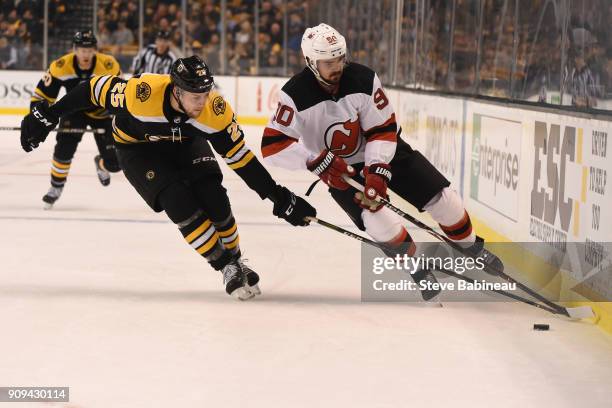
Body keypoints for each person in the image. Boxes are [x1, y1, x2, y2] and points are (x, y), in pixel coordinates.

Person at [20, 55, 316, 300]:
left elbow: (243, 161)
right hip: (137, 148)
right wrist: (50, 115)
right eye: (194, 96)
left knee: (214, 196)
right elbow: (91, 90)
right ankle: (225, 265)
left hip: (185, 143)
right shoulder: (143, 93)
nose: (201, 102)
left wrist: (279, 197)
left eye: (205, 94)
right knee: (177, 201)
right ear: (176, 90)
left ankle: (237, 262)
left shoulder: (214, 110)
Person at [261, 24, 502, 300]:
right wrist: (316, 161)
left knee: (447, 201)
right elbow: (272, 146)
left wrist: (377, 170)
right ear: (311, 62)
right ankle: (417, 269)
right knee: (380, 225)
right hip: (341, 173)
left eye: (340, 58)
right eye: (329, 62)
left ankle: (472, 248)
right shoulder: (293, 95)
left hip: (387, 154)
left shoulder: (363, 79)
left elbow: (383, 129)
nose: (337, 66)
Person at [30, 30, 122, 209]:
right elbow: (41, 96)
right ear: (74, 49)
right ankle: (55, 188)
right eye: (81, 49)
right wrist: (35, 121)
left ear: (95, 50)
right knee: (64, 148)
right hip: (73, 111)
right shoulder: (61, 66)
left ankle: (101, 163)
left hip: (101, 112)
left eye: (89, 50)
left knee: (116, 163)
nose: (85, 54)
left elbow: (119, 96)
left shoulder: (109, 65)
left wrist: (119, 118)